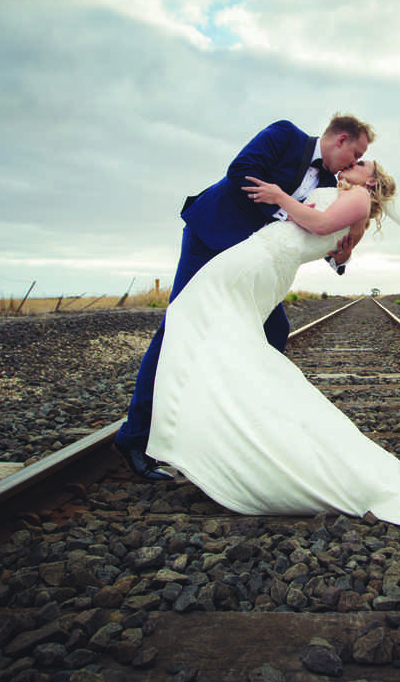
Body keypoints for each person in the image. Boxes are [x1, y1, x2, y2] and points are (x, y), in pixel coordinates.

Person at [145, 160, 400, 524]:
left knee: (197, 317)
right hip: (263, 259)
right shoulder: (353, 206)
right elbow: (339, 249)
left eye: (362, 164)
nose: (353, 164)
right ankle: (200, 428)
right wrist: (338, 248)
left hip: (260, 259)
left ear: (371, 180)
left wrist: (279, 196)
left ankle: (193, 429)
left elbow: (321, 224)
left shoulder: (359, 198)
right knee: (214, 331)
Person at [114, 115, 374, 480]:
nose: (353, 163)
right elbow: (241, 171)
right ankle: (135, 438)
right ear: (341, 140)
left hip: (251, 263)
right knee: (177, 329)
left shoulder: (332, 183)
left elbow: (318, 228)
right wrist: (283, 211)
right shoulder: (286, 135)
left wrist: (340, 255)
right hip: (211, 237)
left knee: (273, 332)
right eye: (356, 154)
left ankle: (240, 433)